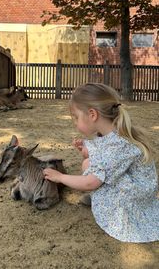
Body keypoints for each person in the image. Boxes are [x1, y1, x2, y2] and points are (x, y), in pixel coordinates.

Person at [43, 83, 159, 243]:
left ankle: (101, 199)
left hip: (133, 202)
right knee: (88, 163)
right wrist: (85, 150)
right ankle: (98, 197)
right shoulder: (113, 131)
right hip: (133, 187)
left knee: (90, 171)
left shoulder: (118, 144)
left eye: (76, 117)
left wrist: (60, 177)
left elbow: (91, 182)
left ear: (92, 114)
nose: (75, 123)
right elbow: (103, 156)